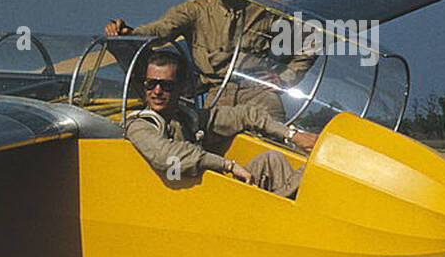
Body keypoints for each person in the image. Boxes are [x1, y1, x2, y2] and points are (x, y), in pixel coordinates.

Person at [103, 0, 314, 117]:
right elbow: (162, 29)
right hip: (216, 98)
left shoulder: (266, 10)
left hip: (259, 96)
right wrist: (131, 33)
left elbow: (310, 42)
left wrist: (285, 79)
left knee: (272, 153)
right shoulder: (197, 9)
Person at [123, 48, 318, 198]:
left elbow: (246, 114)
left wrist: (292, 135)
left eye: (166, 85)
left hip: (208, 194)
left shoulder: (188, 118)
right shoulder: (140, 125)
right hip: (184, 205)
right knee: (296, 178)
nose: (156, 91)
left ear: (181, 88)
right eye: (151, 84)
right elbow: (169, 157)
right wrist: (229, 165)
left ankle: (312, 189)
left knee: (272, 160)